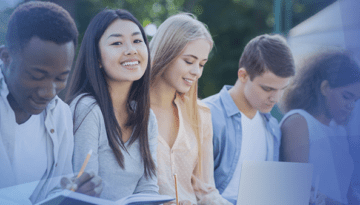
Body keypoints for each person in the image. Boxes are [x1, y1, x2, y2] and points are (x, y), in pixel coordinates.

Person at [0, 2, 102, 204]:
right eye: (36, 75)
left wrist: (74, 193)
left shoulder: (61, 115)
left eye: (60, 78)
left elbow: (51, 194)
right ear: (6, 57)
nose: (48, 92)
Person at [66, 9, 159, 201]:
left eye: (137, 41)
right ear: (97, 58)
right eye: (117, 43)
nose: (131, 50)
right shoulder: (87, 108)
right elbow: (85, 192)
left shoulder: (146, 117)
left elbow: (149, 187)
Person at [202, 34, 295, 204]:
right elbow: (195, 187)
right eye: (268, 89)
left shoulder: (272, 127)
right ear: (243, 75)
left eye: (282, 89)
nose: (276, 98)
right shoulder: (207, 114)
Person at [149, 13, 231, 205]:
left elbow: (206, 191)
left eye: (202, 64)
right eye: (189, 61)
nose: (197, 72)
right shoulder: (131, 111)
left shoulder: (201, 115)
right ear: (166, 53)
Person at [280, 52, 360, 204]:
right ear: (324, 88)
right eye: (346, 96)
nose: (351, 106)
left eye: (355, 100)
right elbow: (299, 188)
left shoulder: (339, 130)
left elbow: (346, 191)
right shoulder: (299, 121)